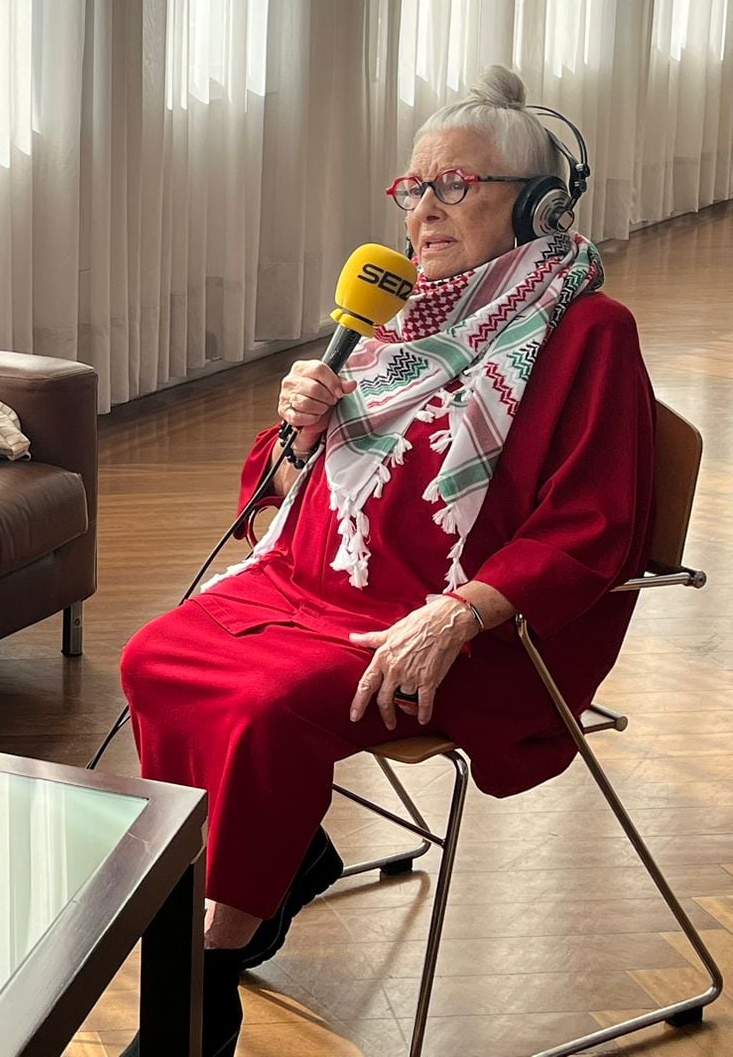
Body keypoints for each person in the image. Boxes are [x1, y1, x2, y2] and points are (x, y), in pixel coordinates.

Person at [118, 67, 651, 1056]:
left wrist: (458, 612)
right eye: (412, 187)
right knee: (152, 654)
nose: (423, 206)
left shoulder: (586, 331)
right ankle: (269, 866)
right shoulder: (390, 315)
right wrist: (295, 429)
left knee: (268, 709)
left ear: (536, 208)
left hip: (456, 625)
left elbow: (593, 524)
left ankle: (207, 970)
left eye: (454, 184)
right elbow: (273, 501)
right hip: (303, 586)